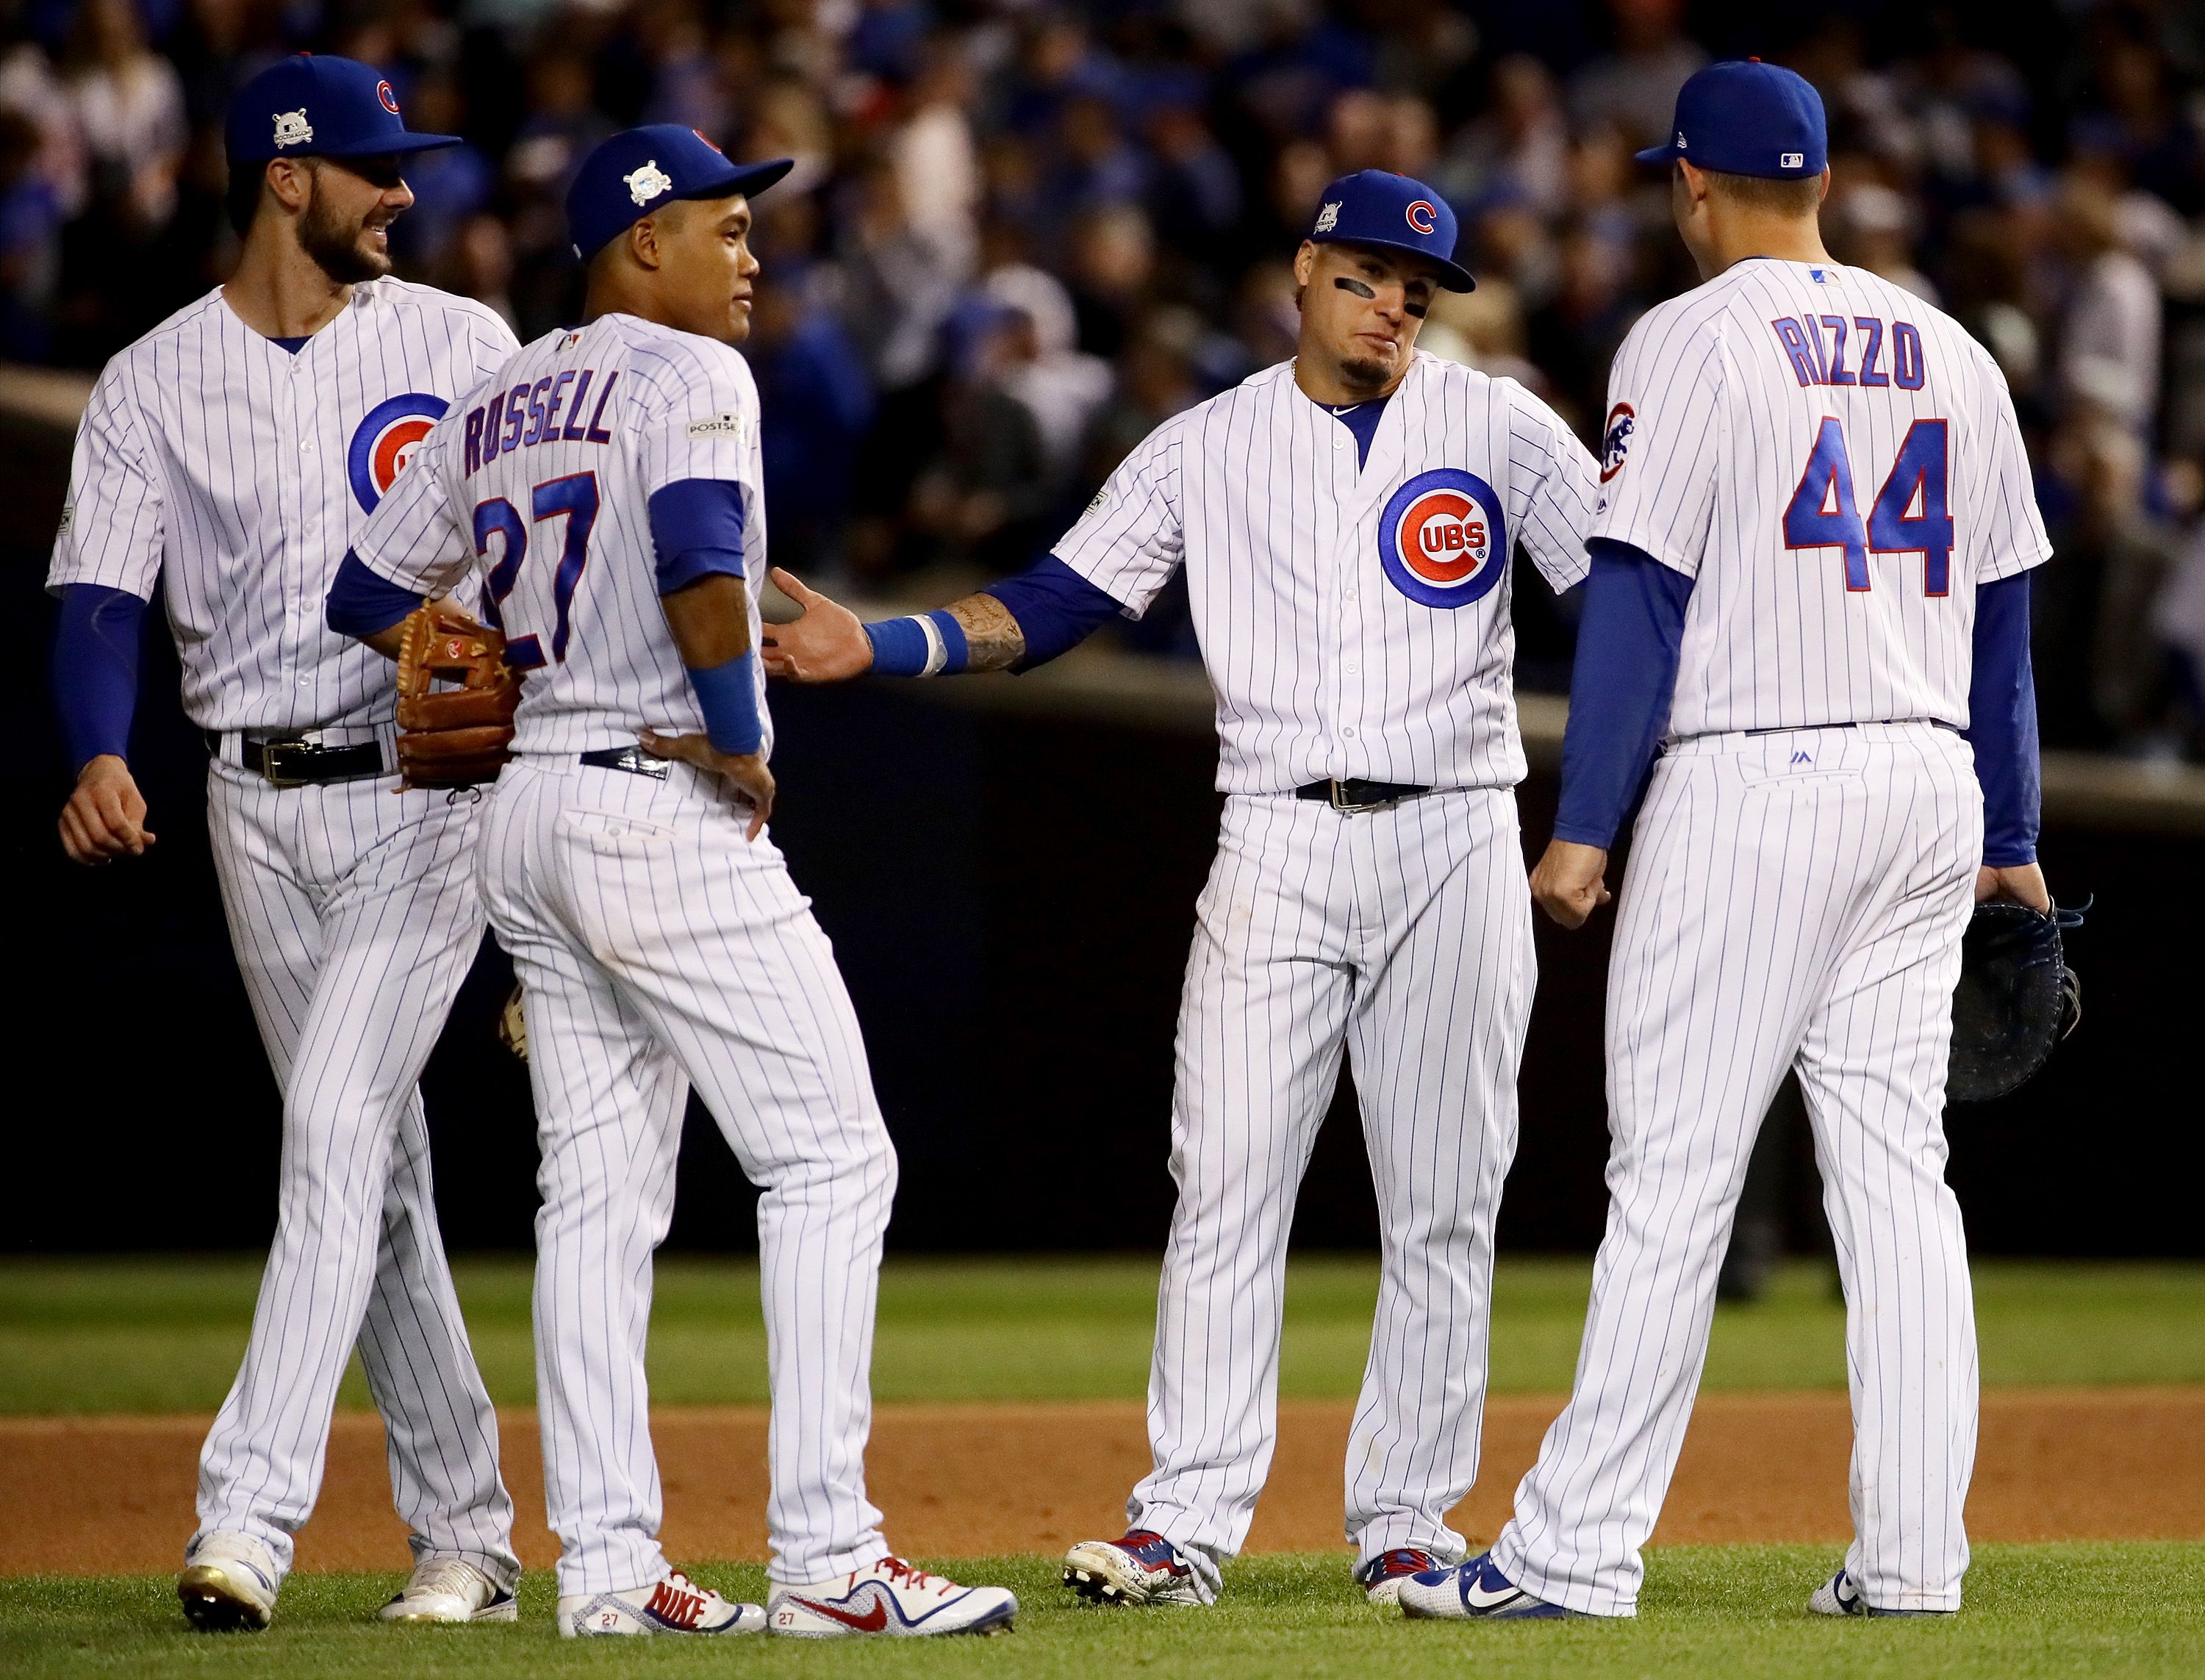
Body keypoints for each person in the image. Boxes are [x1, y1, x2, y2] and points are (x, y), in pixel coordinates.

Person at [762, 168, 1599, 1608]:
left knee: (1449, 1197)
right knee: (1223, 1177)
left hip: (1459, 828)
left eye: (1421, 285)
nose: (1396, 301)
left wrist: (1610, 802)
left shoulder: (1502, 423)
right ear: (1303, 269)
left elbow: (1628, 597)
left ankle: (1406, 1519)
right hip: (1274, 832)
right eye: (1370, 274)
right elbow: (1053, 603)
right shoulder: (1203, 446)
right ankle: (1186, 1521)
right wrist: (885, 647)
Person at [328, 123, 1020, 1641]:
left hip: (525, 810)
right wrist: (737, 735)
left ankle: (612, 1576)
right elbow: (701, 560)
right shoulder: (694, 373)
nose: (750, 254)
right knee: (835, 1159)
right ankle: (832, 1564)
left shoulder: (499, 394)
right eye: (721, 228)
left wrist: (467, 656)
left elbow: (366, 590)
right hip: (653, 792)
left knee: (595, 1198)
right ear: (639, 243)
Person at [1397, 60, 2051, 1623]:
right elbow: (2007, 630)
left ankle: (1569, 1554)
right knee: (1898, 1183)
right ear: (1818, 180)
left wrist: (1583, 827)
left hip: (1758, 782)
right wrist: (2011, 841)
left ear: (1693, 183)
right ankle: (1910, 1564)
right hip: (1925, 787)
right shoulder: (1956, 349)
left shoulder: (1686, 339)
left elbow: (1638, 596)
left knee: (1676, 1178)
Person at [47, 55, 523, 1631]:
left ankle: (246, 1516)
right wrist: (100, 748)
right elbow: (100, 592)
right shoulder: (151, 379)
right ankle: (468, 1534)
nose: (406, 189)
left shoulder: (464, 345)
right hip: (248, 803)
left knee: (329, 1133)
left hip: (424, 789)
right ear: (283, 177)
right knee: (372, 1175)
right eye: (375, 166)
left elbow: (540, 589)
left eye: (409, 163)